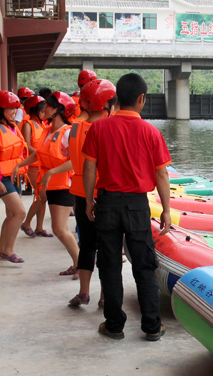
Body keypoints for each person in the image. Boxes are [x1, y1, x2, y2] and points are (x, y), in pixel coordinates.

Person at [82, 73, 171, 341]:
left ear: (117, 99)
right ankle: (152, 327)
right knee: (144, 266)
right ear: (142, 99)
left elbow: (89, 167)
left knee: (109, 265)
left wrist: (89, 200)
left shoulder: (98, 128)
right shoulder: (151, 132)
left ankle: (114, 324)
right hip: (137, 206)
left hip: (107, 203)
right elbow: (162, 175)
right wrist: (166, 209)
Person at [17, 92, 78, 276]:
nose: (45, 109)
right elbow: (39, 155)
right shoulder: (47, 130)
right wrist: (19, 165)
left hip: (64, 185)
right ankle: (79, 264)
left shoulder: (67, 132)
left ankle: (81, 264)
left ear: (59, 110)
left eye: (49, 105)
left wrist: (51, 172)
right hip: (51, 185)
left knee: (60, 229)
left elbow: (75, 161)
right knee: (59, 229)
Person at [66, 79, 115, 308]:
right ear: (108, 105)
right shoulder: (106, 129)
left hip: (79, 193)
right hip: (102, 194)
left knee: (86, 244)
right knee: (107, 246)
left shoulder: (76, 126)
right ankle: (105, 296)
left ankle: (83, 292)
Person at [0, 91, 27, 263]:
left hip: (14, 176)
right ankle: (8, 250)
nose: (14, 112)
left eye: (16, 109)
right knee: (19, 213)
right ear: (0, 108)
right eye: (11, 109)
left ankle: (1, 249)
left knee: (11, 215)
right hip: (2, 178)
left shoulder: (11, 126)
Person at [18, 94, 51, 237]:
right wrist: (40, 153)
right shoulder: (28, 124)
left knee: (42, 197)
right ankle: (26, 223)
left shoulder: (42, 124)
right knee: (42, 197)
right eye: (42, 111)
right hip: (33, 165)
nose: (45, 114)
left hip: (42, 164)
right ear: (33, 111)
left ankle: (39, 227)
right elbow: (27, 145)